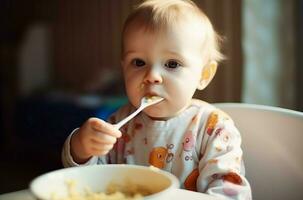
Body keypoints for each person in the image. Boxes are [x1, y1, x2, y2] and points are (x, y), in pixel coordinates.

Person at [62, 0, 252, 199]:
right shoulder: (119, 124)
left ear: (204, 74)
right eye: (139, 62)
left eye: (171, 64)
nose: (152, 75)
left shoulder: (214, 129)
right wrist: (81, 148)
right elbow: (88, 180)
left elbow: (230, 192)